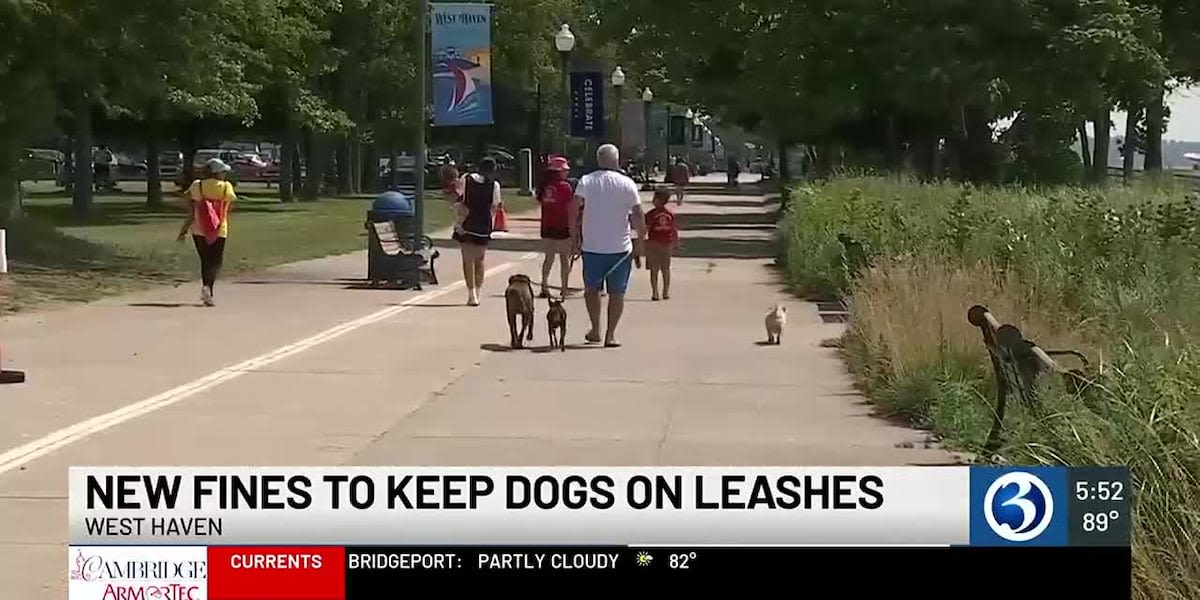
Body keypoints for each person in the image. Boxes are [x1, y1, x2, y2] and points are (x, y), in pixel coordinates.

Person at [570, 144, 647, 348]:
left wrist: (573, 236)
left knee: (591, 290)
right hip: (620, 249)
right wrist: (640, 240)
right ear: (617, 160)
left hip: (592, 247)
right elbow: (638, 213)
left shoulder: (587, 181)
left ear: (598, 160)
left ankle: (595, 328)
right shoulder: (627, 183)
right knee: (617, 293)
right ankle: (610, 334)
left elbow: (573, 207)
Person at [177, 158, 236, 307]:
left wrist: (184, 230)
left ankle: (207, 289)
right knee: (215, 261)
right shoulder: (226, 187)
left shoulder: (198, 185)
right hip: (219, 229)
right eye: (223, 172)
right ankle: (208, 289)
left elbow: (190, 207)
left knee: (205, 260)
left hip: (198, 228)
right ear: (218, 173)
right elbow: (230, 204)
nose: (224, 175)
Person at [452, 157, 502, 306]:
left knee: (467, 260)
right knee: (480, 260)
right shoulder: (494, 185)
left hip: (466, 222)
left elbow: (458, 196)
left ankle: (471, 293)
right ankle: (478, 292)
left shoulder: (466, 179)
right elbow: (494, 206)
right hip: (483, 223)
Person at [536, 156, 575, 298]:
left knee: (549, 258)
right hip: (562, 225)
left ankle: (544, 285)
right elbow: (570, 207)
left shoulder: (544, 187)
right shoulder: (565, 187)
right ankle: (564, 288)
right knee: (564, 259)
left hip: (547, 225)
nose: (567, 172)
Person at [644, 187, 680, 301]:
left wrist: (676, 240)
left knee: (665, 269)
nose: (653, 200)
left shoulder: (668, 214)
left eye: (655, 198)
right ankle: (655, 292)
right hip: (655, 243)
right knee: (655, 269)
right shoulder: (651, 214)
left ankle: (665, 291)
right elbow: (646, 228)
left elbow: (673, 229)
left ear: (660, 200)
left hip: (664, 244)